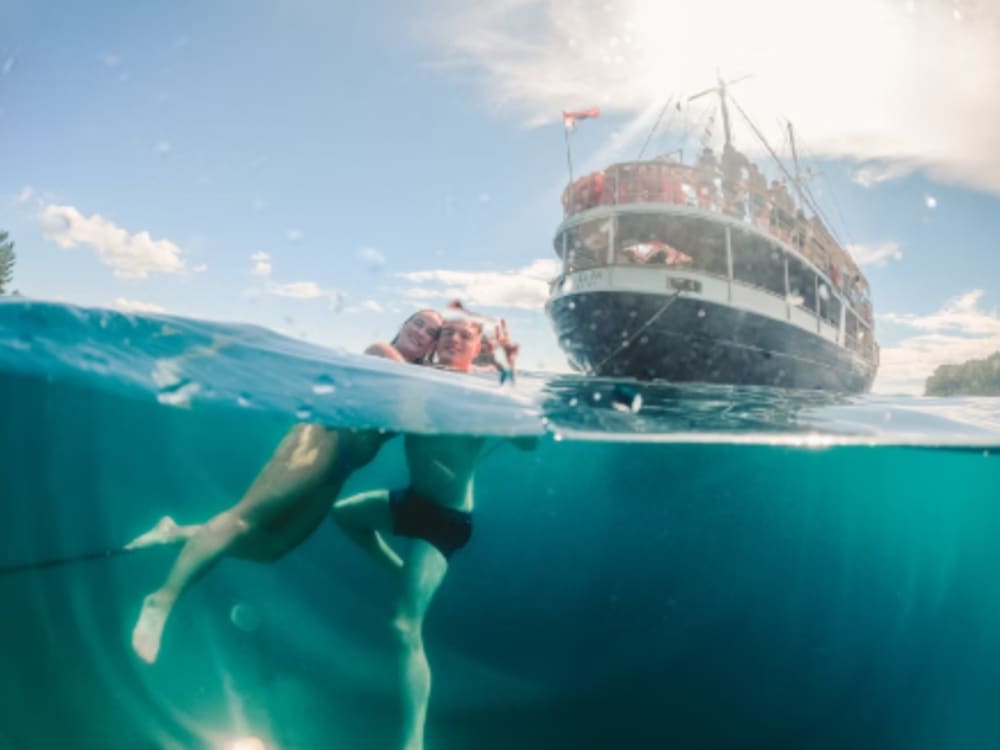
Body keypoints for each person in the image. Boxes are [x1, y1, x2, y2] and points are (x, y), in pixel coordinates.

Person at [129, 309, 444, 664]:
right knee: (244, 519)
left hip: (341, 469)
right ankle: (162, 600)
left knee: (271, 548)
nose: (422, 332)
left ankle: (174, 533)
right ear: (403, 325)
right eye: (418, 323)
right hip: (322, 438)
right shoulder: (384, 354)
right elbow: (411, 394)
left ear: (435, 344)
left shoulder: (424, 377)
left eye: (432, 331)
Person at [330, 316, 533, 750]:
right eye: (446, 333)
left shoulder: (486, 385)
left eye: (465, 334)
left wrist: (508, 389)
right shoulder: (417, 378)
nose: (453, 339)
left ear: (478, 346)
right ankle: (401, 570)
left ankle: (413, 742)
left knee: (404, 626)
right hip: (413, 501)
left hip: (445, 520)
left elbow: (531, 443)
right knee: (344, 516)